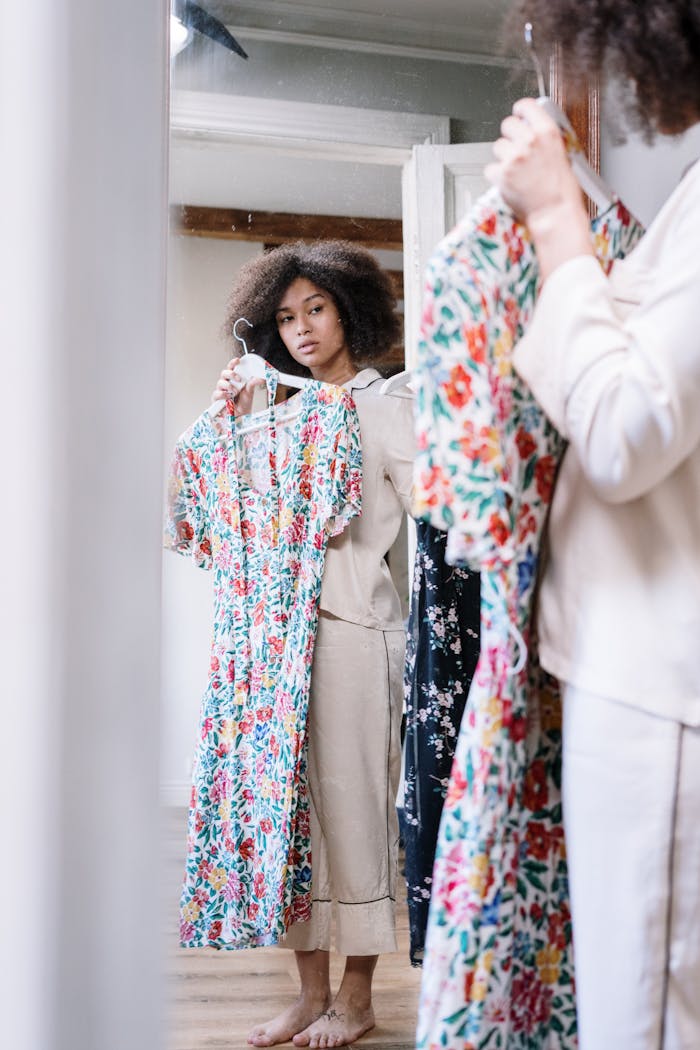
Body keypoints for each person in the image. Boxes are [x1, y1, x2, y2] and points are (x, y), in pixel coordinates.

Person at [485, 2, 700, 1048]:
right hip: (648, 664)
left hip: (661, 682)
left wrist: (557, 229)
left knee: (645, 1012)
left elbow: (624, 431)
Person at [211, 240, 415, 1048]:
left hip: (357, 635)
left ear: (350, 310)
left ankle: (358, 998)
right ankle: (308, 993)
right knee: (292, 820)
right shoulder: (274, 417)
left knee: (357, 815)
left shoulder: (387, 406)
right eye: (286, 316)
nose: (300, 328)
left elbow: (440, 505)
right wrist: (228, 414)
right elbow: (212, 518)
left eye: (316, 309)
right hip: (275, 648)